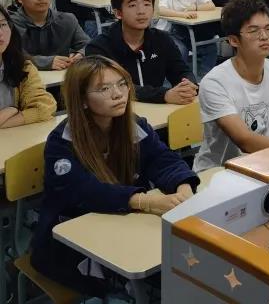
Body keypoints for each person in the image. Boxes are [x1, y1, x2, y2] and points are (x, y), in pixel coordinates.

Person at [31, 56, 199, 296]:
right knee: (162, 274)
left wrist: (183, 186)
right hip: (70, 237)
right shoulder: (62, 141)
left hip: (123, 221)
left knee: (183, 261)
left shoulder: (132, 124)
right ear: (82, 99)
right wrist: (144, 201)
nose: (118, 94)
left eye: (122, 84)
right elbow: (84, 192)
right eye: (104, 89)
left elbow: (162, 159)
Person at [193, 0, 269, 172]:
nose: (264, 36)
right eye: (254, 31)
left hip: (261, 165)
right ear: (233, 40)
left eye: (268, 28)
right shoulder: (215, 82)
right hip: (218, 172)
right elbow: (246, 141)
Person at [86, 0, 198, 104]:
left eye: (146, 4)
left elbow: (181, 70)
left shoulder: (162, 39)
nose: (141, 11)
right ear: (118, 13)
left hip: (157, 109)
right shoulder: (99, 47)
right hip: (118, 110)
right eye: (132, 5)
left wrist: (188, 85)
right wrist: (163, 95)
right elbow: (115, 88)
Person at [11, 0, 89, 71]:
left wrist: (80, 54)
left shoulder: (67, 20)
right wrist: (45, 62)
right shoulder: (9, 25)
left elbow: (89, 45)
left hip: (62, 78)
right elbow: (10, 55)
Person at [157, 0, 217, 79]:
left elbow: (211, 5)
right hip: (169, 31)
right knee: (181, 50)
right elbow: (162, 10)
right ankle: (181, 80)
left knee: (211, 46)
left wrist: (194, 7)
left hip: (189, 30)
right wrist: (182, 15)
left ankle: (205, 79)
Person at [0, 4, 56, 127]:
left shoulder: (22, 66)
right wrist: (11, 111)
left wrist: (10, 114)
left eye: (3, 24)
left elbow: (45, 107)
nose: (0, 33)